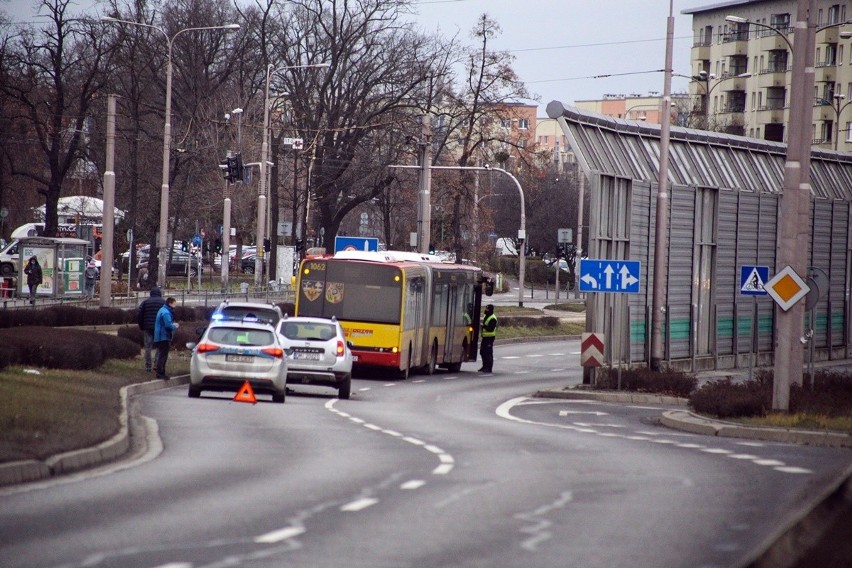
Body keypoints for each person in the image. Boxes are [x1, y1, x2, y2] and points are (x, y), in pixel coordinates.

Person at [137, 287, 166, 372]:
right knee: (159, 347)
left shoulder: (145, 302)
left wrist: (142, 326)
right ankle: (156, 364)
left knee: (148, 347)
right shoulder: (163, 302)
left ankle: (148, 366)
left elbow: (139, 315)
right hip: (159, 329)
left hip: (148, 328)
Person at [153, 296, 179, 380]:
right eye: (174, 303)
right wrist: (175, 326)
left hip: (159, 336)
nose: (175, 305)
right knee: (163, 356)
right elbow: (168, 325)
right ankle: (160, 373)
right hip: (163, 337)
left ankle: (160, 372)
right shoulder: (166, 312)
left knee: (161, 354)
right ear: (170, 303)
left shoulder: (162, 310)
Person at [479, 304, 498, 373]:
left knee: (488, 353)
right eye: (486, 309)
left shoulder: (493, 318)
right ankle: (484, 366)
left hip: (490, 338)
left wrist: (483, 326)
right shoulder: (487, 316)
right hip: (485, 337)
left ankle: (489, 368)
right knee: (482, 352)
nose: (486, 311)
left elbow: (490, 329)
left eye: (487, 310)